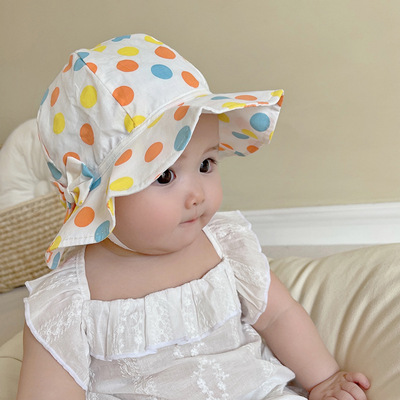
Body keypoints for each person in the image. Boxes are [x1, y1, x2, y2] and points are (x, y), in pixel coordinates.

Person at [17, 34, 370, 400]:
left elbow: (278, 316)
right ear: (99, 197)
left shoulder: (226, 247)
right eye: (165, 176)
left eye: (206, 164)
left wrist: (324, 379)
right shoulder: (69, 301)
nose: (198, 194)